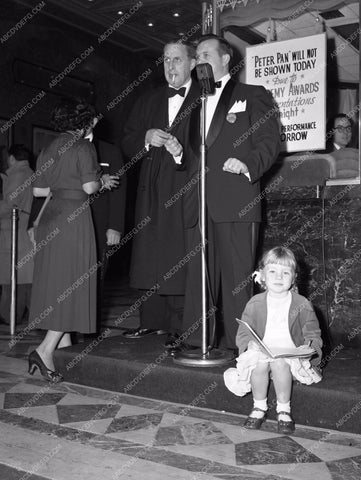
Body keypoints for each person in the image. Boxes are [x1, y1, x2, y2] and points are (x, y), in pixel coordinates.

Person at [181, 34, 280, 351]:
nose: (199, 61)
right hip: (200, 203)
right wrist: (175, 151)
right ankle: (199, 342)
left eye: (205, 54)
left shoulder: (253, 94)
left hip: (236, 199)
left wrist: (248, 164)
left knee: (238, 280)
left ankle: (246, 349)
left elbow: (269, 141)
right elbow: (192, 151)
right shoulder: (195, 104)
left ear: (226, 59)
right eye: (196, 56)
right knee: (200, 278)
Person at [28, 97, 118, 383]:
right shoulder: (83, 146)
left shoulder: (48, 148)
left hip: (52, 215)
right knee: (73, 284)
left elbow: (40, 192)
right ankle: (44, 351)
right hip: (73, 218)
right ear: (85, 122)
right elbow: (90, 187)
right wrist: (103, 180)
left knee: (58, 283)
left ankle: (63, 355)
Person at [121, 39, 200, 349]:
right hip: (151, 188)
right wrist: (146, 137)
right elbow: (126, 138)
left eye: (177, 59)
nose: (170, 66)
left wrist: (184, 154)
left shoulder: (206, 98)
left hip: (185, 186)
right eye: (166, 60)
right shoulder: (149, 99)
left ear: (192, 63)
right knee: (148, 254)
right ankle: (150, 322)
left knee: (178, 253)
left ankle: (181, 327)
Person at [224, 246, 323, 434]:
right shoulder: (255, 303)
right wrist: (250, 344)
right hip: (263, 350)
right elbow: (244, 333)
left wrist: (307, 348)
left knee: (279, 364)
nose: (279, 277)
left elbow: (313, 334)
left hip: (289, 353)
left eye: (285, 272)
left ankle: (284, 409)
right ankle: (259, 406)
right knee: (259, 364)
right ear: (262, 276)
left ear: (293, 278)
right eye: (273, 271)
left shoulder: (301, 304)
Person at [85, 116, 126, 327]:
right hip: (65, 224)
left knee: (95, 280)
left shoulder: (110, 151)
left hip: (99, 225)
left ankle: (90, 331)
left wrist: (115, 226)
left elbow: (119, 192)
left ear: (93, 121)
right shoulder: (62, 149)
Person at [0, 145, 34, 325]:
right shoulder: (28, 172)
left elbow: (10, 204)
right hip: (20, 229)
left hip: (13, 230)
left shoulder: (18, 174)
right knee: (21, 276)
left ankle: (10, 315)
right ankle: (13, 314)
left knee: (13, 276)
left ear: (12, 158)